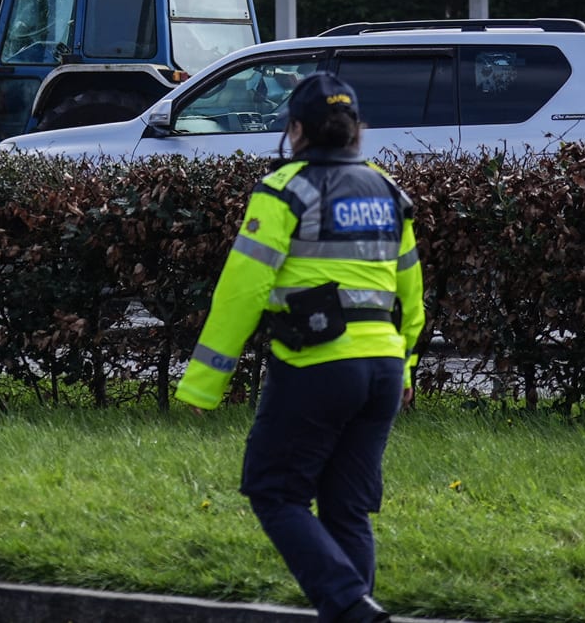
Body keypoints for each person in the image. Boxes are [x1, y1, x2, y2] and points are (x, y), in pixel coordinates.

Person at [173, 72, 424, 623]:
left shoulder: (286, 189)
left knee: (274, 491)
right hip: (381, 369)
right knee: (347, 509)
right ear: (357, 130)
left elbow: (242, 290)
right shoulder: (388, 191)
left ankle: (351, 606)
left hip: (318, 365)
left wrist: (203, 382)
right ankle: (355, 609)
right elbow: (412, 296)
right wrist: (404, 369)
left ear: (295, 131)